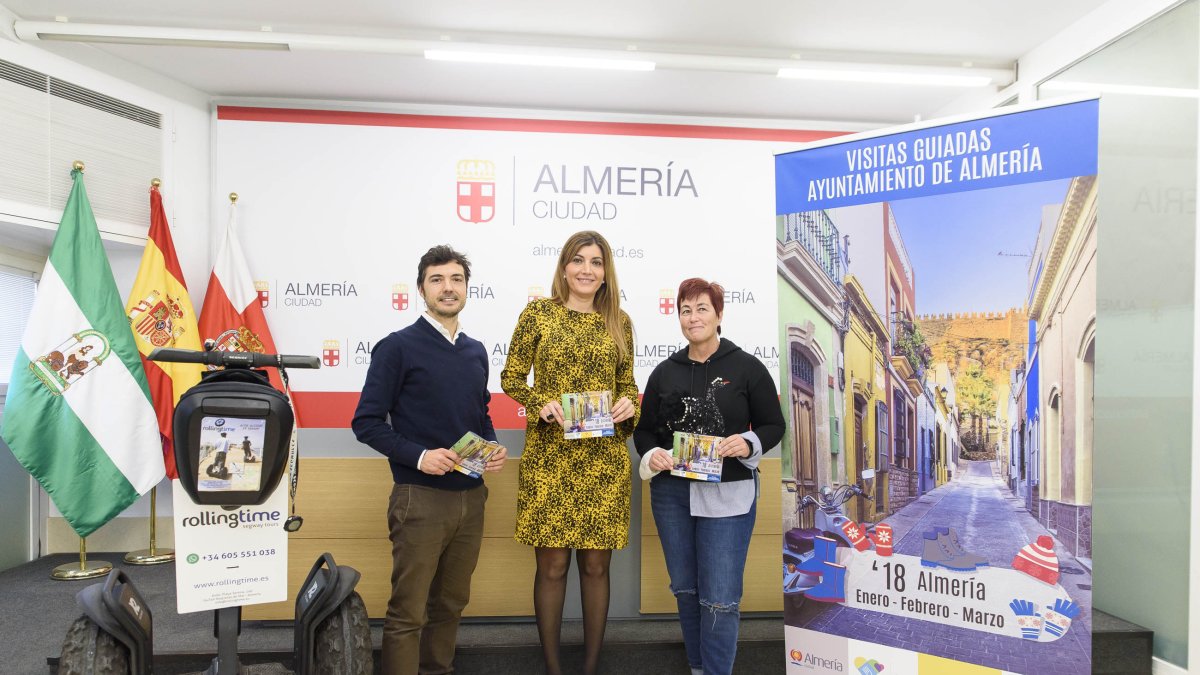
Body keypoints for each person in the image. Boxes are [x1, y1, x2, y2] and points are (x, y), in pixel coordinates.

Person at [351, 244, 508, 675]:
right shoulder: (397, 347)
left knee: (451, 604)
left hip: (471, 498)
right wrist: (419, 457)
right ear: (421, 289)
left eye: (456, 279)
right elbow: (366, 423)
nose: (448, 287)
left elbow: (481, 413)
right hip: (418, 498)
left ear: (467, 288)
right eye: (437, 280)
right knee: (409, 611)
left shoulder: (476, 351)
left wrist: (491, 445)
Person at [501, 230, 638, 675]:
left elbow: (629, 386)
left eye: (596, 262)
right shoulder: (538, 314)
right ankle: (554, 668)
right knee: (553, 565)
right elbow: (512, 377)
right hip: (550, 458)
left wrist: (628, 405)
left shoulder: (620, 321)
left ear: (605, 272)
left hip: (603, 460)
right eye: (578, 260)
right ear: (563, 267)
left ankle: (591, 667)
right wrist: (539, 401)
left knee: (597, 566)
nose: (586, 269)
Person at [634, 278, 785, 675]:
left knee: (719, 597)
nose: (693, 317)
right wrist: (653, 454)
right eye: (685, 309)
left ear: (719, 314)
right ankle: (698, 666)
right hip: (672, 494)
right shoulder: (665, 372)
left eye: (702, 308)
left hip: (728, 492)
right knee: (686, 589)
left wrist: (748, 442)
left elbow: (773, 424)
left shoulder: (747, 367)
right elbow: (644, 429)